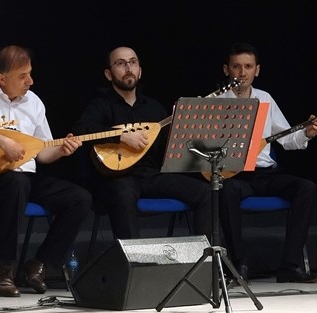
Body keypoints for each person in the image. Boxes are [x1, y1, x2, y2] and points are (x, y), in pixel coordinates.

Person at [0, 45, 92, 297]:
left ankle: (40, 264)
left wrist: (62, 150)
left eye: (30, 73)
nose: (30, 80)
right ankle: (3, 267)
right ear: (1, 79)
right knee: (15, 183)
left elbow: (43, 152)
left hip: (24, 179)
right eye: (22, 76)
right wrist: (3, 142)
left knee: (79, 198)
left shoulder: (34, 102)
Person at [72, 46, 212, 242]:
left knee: (206, 192)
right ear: (108, 74)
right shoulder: (100, 105)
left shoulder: (154, 108)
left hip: (153, 176)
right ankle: (135, 265)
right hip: (119, 178)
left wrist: (184, 127)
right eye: (121, 64)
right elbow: (81, 132)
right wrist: (121, 136)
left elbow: (169, 151)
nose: (128, 68)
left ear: (140, 70)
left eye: (133, 62)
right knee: (122, 193)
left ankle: (204, 262)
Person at [217, 42, 317, 282]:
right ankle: (237, 265)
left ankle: (289, 266)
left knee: (306, 188)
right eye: (236, 67)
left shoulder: (265, 98)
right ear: (227, 70)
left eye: (248, 67)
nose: (242, 73)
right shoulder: (217, 102)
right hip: (234, 175)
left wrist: (307, 133)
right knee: (226, 191)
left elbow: (287, 138)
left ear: (257, 70)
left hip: (264, 174)